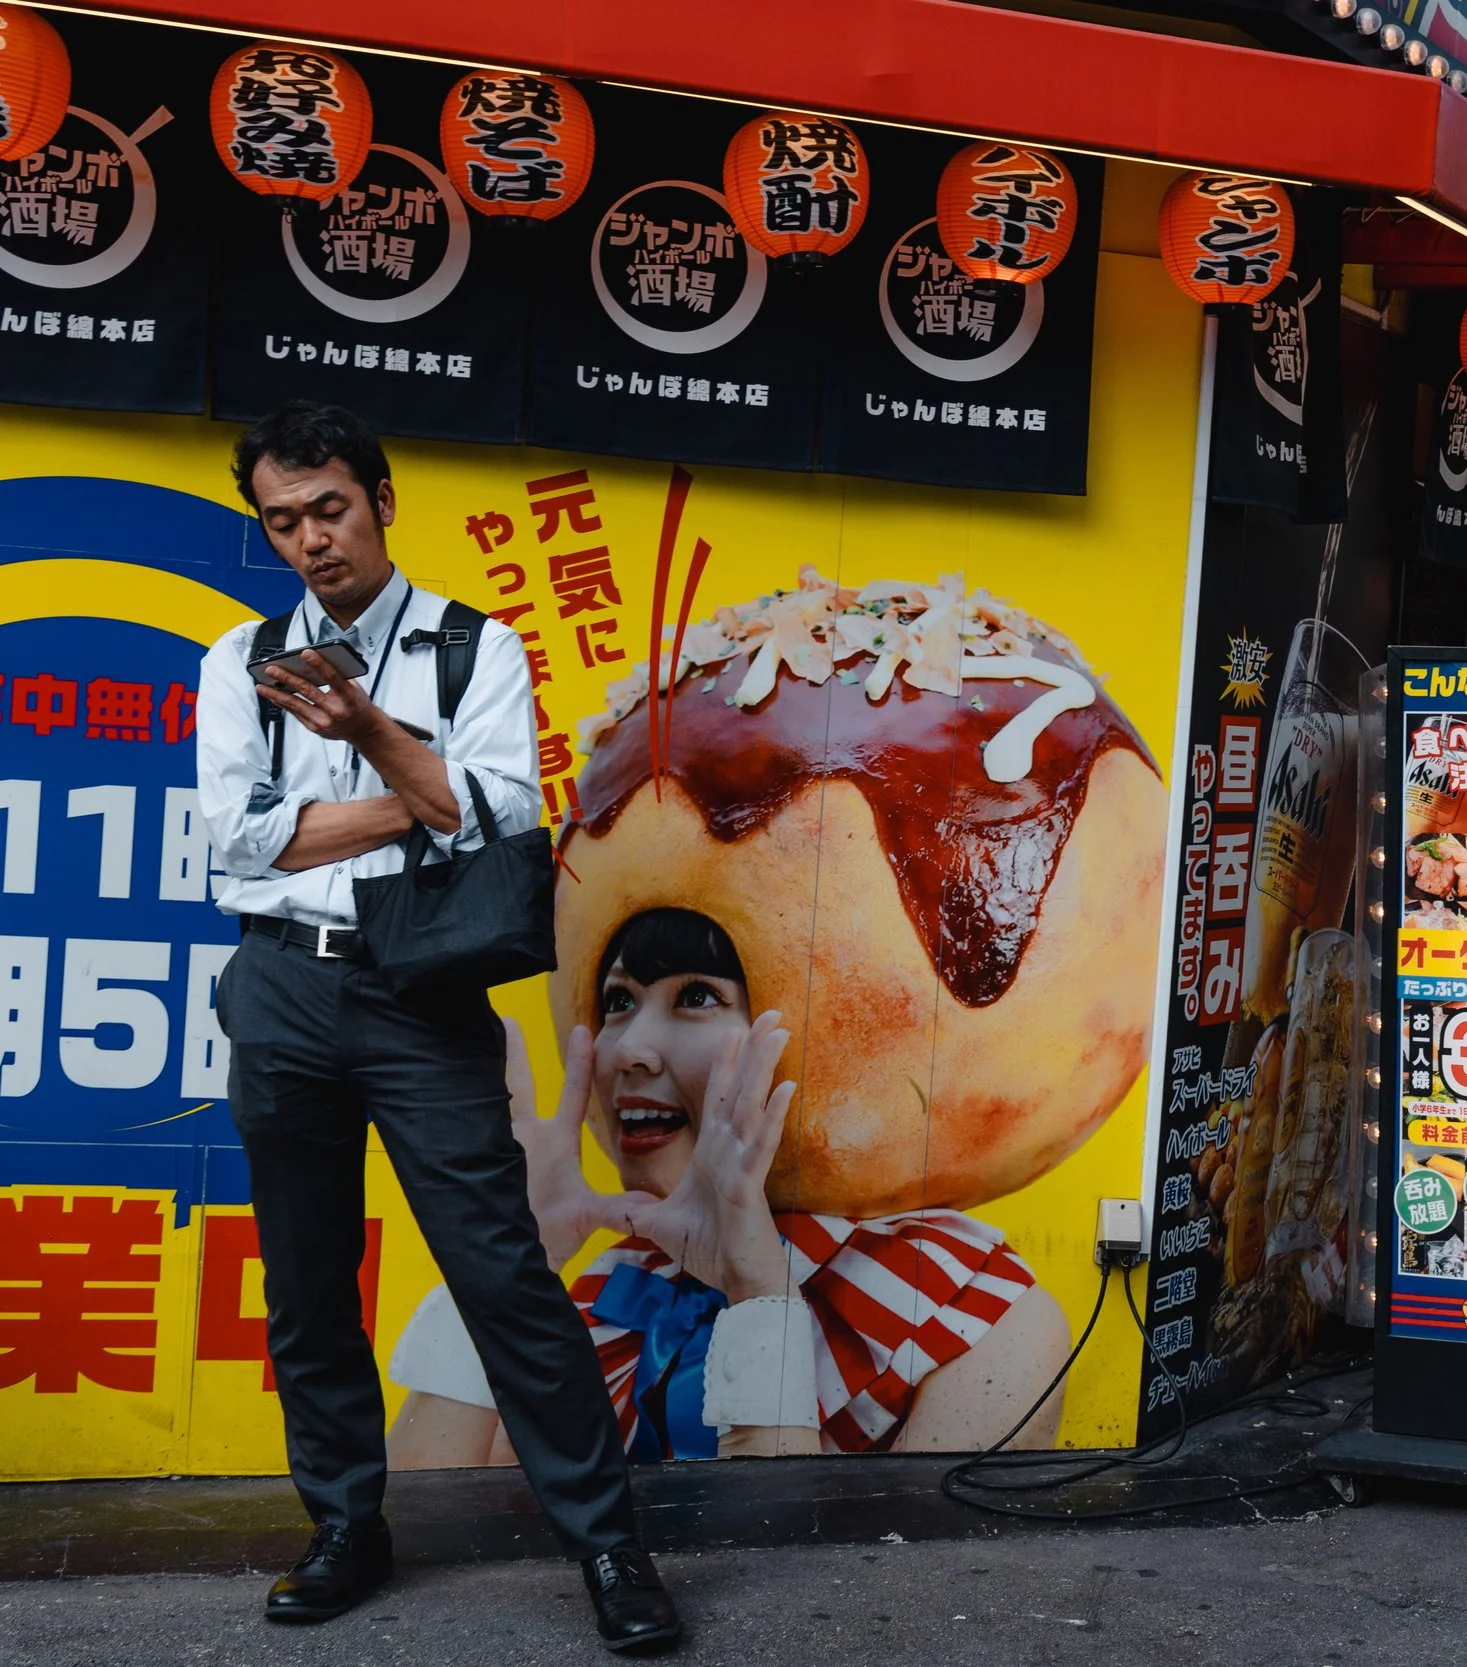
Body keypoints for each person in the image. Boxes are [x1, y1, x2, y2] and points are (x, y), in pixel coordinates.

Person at [196, 402, 678, 1651]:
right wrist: (413, 795)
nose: (310, 539)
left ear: (383, 499)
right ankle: (347, 1523)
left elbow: (503, 825)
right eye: (283, 519)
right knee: (307, 1282)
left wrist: (368, 737)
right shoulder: (235, 659)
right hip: (283, 987)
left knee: (503, 1274)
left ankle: (610, 1545)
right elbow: (237, 850)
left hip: (421, 995)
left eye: (330, 509)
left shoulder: (476, 649)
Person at [384, 908, 1070, 1463]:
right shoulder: (603, 1298)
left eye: (698, 996)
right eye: (618, 1000)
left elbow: (841, 1609)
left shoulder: (976, 1309)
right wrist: (505, 1257)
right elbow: (428, 1541)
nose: (628, 1050)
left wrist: (757, 1295)